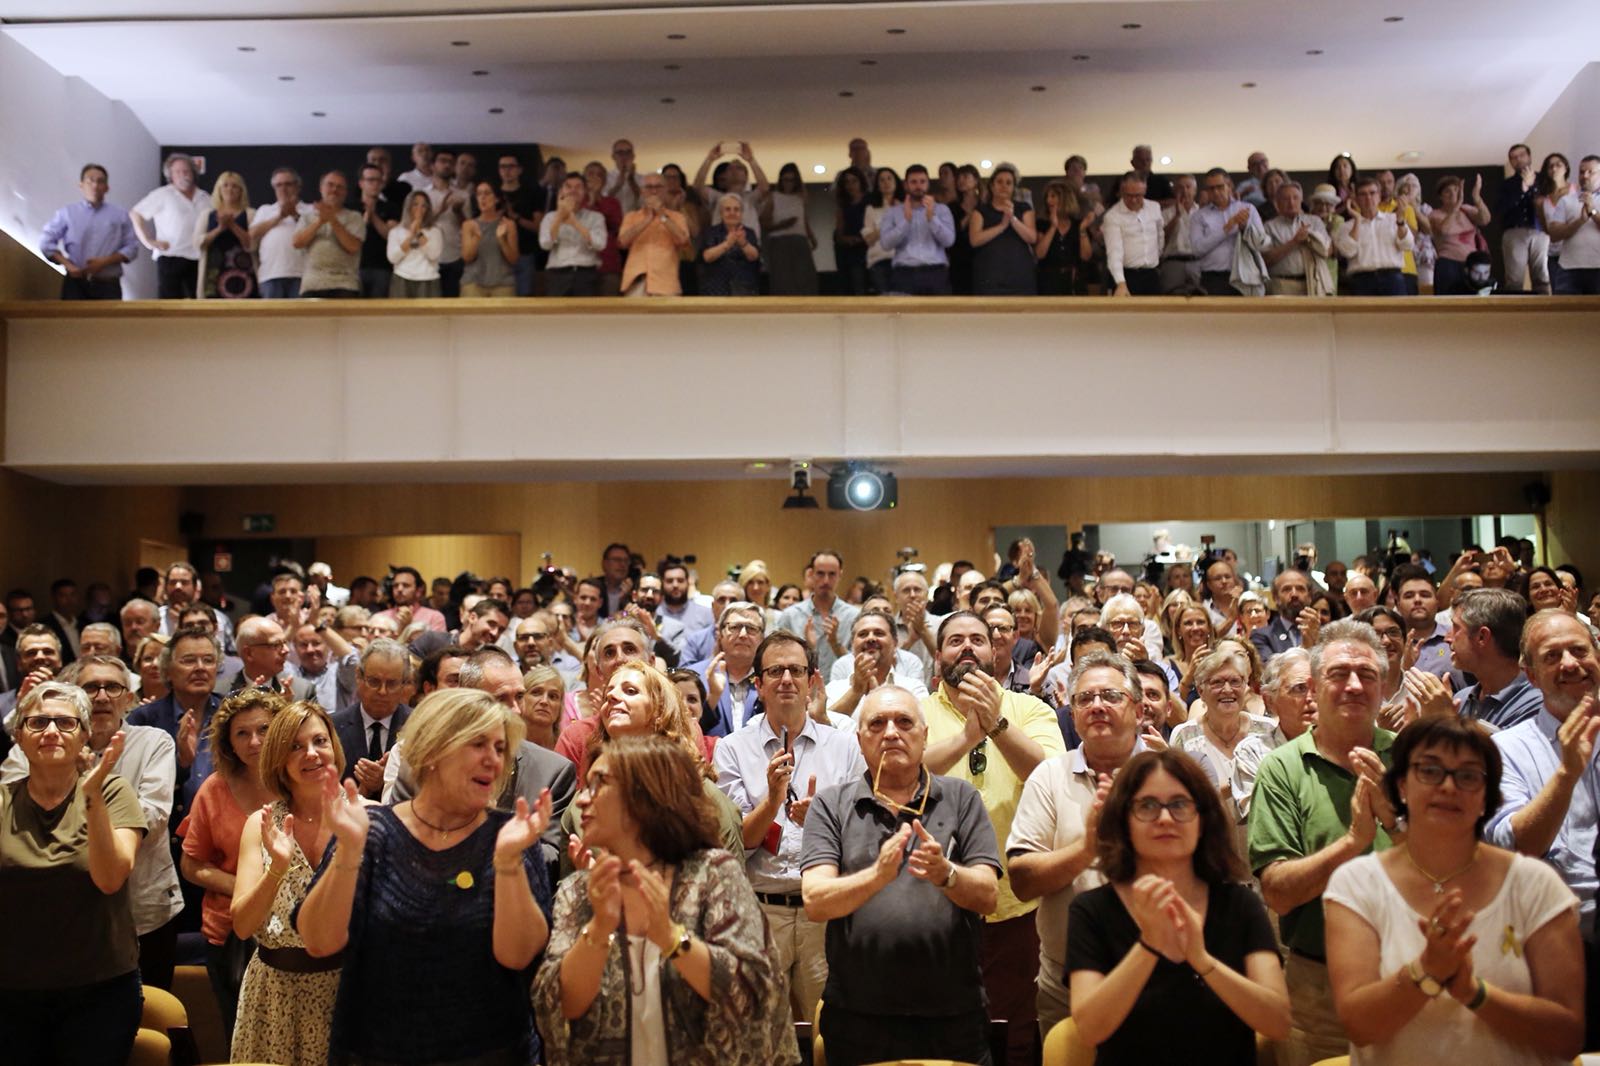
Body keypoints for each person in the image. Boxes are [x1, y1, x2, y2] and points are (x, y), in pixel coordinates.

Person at [297, 688, 555, 1064]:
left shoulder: (513, 836)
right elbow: (319, 942)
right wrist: (349, 852)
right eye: (478, 744)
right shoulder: (371, 831)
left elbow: (518, 957)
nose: (493, 760)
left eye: (500, 748)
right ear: (433, 750)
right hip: (377, 1053)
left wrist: (508, 862)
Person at [1326, 713, 1587, 1066]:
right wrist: (1426, 970)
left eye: (1468, 776)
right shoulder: (1357, 884)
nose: (1448, 787)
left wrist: (1473, 992)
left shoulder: (1536, 884)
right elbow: (1359, 1026)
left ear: (1486, 798)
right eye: (1430, 770)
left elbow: (1566, 1036)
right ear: (1401, 786)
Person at [533, 735, 798, 1064]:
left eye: (598, 784)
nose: (582, 801)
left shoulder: (713, 875)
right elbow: (556, 1008)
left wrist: (669, 936)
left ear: (646, 795)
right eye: (585, 786)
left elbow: (752, 994)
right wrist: (599, 928)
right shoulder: (579, 890)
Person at [801, 686, 1001, 1065]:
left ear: (925, 736)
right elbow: (815, 901)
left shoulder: (962, 798)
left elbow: (988, 896)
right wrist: (877, 876)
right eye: (877, 723)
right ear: (860, 740)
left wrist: (947, 874)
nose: (891, 732)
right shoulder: (831, 804)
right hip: (858, 1019)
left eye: (904, 722)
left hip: (953, 1017)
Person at [1067, 749, 1289, 1063]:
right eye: (1147, 806)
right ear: (1124, 820)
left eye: (1180, 804)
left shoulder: (1240, 904)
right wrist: (1148, 946)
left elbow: (1278, 1023)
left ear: (1203, 819)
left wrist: (1201, 960)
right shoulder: (1092, 910)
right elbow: (1090, 1030)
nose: (1165, 818)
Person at [1248, 620, 1401, 1066]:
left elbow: (1451, 872)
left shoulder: (1413, 757)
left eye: (1367, 675)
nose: (1354, 685)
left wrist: (1394, 820)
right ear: (1314, 688)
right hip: (1318, 988)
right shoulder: (1282, 768)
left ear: (1383, 687)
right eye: (1339, 674)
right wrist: (1353, 842)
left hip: (1412, 975)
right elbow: (1278, 893)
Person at [920, 611, 1065, 1065]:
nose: (967, 647)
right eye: (955, 640)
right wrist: (967, 737)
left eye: (977, 639)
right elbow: (900, 777)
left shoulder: (1031, 709)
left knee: (1015, 1034)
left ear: (995, 650)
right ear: (938, 655)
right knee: (939, 1029)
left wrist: (996, 723)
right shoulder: (914, 713)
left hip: (1014, 903)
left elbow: (1048, 776)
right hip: (931, 903)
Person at [713, 632, 866, 1027]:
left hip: (823, 915)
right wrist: (772, 801)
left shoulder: (845, 747)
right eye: (775, 671)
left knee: (831, 1030)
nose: (786, 679)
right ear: (758, 684)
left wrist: (822, 822)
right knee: (758, 1030)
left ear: (812, 680)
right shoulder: (732, 749)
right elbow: (739, 840)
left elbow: (862, 838)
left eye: (796, 671)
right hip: (761, 912)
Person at [0, 681, 146, 1064]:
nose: (51, 731)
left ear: (84, 735)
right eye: (38, 722)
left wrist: (92, 795)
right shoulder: (2, 800)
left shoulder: (112, 791)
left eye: (65, 723)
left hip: (100, 991)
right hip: (10, 992)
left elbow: (110, 878)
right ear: (19, 737)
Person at [1007, 651, 1146, 1034]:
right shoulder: (1049, 776)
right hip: (1066, 982)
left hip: (1160, 975)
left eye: (1111, 696)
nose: (1097, 706)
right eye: (1085, 699)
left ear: (1138, 710)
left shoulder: (1169, 774)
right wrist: (1087, 850)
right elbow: (1022, 881)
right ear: (1072, 714)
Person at [1484, 609, 1600, 1049]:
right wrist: (1566, 775)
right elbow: (1516, 846)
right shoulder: (1506, 750)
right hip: (1559, 951)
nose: (1570, 664)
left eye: (1579, 651)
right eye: (1553, 656)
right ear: (1531, 676)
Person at [229, 701, 344, 1066]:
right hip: (274, 993)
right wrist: (277, 868)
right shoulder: (260, 824)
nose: (311, 753)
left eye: (319, 741)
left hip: (346, 992)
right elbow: (242, 925)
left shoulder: (368, 818)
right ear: (279, 759)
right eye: (295, 746)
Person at [181, 687, 284, 1042]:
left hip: (296, 932)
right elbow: (191, 865)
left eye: (264, 729)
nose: (254, 741)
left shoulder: (299, 780)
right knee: (241, 1038)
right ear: (229, 743)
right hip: (230, 935)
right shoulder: (214, 789)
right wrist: (248, 888)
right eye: (242, 733)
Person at [1169, 645, 1279, 792]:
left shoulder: (1268, 730)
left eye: (1235, 681)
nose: (1227, 690)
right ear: (1201, 691)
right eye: (1217, 682)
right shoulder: (1184, 736)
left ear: (1245, 687)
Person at [39, 163, 139, 300]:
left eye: (100, 181)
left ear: (107, 187)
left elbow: (132, 247)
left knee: (109, 315)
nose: (95, 185)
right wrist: (67, 264)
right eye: (90, 181)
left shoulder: (120, 214)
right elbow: (46, 242)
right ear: (81, 185)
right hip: (75, 284)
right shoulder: (67, 213)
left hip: (108, 285)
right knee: (72, 315)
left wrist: (104, 262)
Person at [132, 152, 211, 299]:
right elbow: (135, 214)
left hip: (198, 257)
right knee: (170, 303)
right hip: (170, 256)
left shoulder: (205, 197)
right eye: (177, 172)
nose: (182, 175)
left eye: (186, 171)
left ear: (193, 173)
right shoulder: (162, 194)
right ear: (170, 175)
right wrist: (148, 241)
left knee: (199, 302)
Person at [879, 164, 957, 295]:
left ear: (928, 184)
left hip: (935, 272)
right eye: (913, 182)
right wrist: (905, 221)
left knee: (939, 309)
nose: (918, 186)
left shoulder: (942, 210)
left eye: (922, 181)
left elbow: (949, 241)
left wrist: (932, 218)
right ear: (906, 185)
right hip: (904, 273)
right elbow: (886, 244)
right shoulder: (893, 212)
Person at [293, 170, 365, 299]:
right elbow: (297, 243)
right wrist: (320, 221)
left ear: (345, 192)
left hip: (345, 284)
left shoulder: (354, 217)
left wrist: (332, 219)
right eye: (330, 185)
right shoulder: (307, 217)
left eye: (340, 187)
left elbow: (353, 246)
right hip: (312, 284)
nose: (334, 190)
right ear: (321, 188)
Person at [969, 162, 1038, 295]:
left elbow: (1032, 237)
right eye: (999, 182)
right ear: (992, 186)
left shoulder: (1023, 208)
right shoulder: (981, 210)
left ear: (1013, 187)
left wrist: (1012, 218)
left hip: (1020, 274)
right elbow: (975, 240)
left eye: (1008, 183)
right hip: (989, 275)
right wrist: (1001, 226)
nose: (1004, 186)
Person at [619, 172, 691, 296]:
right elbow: (622, 243)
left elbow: (683, 240)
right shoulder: (631, 217)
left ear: (666, 190)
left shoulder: (677, 217)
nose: (654, 191)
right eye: (649, 187)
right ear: (642, 191)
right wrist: (647, 220)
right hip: (637, 281)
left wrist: (661, 215)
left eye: (658, 187)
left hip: (666, 283)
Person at [251, 167, 314, 299]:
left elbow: (316, 234)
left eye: (288, 184)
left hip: (303, 275)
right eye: (279, 185)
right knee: (271, 313)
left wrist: (295, 215)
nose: (283, 189)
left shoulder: (310, 209)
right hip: (271, 274)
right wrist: (280, 216)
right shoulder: (265, 210)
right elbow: (252, 234)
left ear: (298, 186)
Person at [539, 173, 606, 297]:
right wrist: (559, 217)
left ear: (585, 191)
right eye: (568, 186)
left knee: (587, 310)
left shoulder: (596, 217)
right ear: (561, 191)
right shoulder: (550, 217)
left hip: (586, 273)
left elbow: (600, 244)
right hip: (557, 273)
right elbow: (545, 244)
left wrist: (575, 223)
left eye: (578, 187)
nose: (573, 190)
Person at [1496, 144, 1551, 294]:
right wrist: (1523, 188)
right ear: (1510, 162)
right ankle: (1516, 309)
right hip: (1514, 231)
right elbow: (1501, 209)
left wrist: (1532, 187)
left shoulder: (1544, 180)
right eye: (1514, 157)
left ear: (1529, 156)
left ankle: (1545, 308)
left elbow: (1547, 204)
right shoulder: (1506, 184)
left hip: (1540, 231)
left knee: (1542, 276)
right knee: (1514, 280)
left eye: (1522, 155)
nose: (1518, 159)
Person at [196, 170, 257, 299]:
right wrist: (220, 228)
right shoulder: (207, 215)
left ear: (241, 191)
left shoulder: (250, 214)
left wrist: (233, 225)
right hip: (213, 274)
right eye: (225, 185)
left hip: (244, 273)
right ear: (219, 190)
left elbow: (252, 244)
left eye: (235, 186)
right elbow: (198, 243)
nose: (230, 189)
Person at [1427, 175, 1492, 295]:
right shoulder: (1435, 214)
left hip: (1471, 266)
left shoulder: (1466, 210)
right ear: (1440, 196)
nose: (1453, 194)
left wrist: (1477, 198)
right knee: (1447, 301)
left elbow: (1485, 219)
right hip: (1448, 264)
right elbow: (1445, 230)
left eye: (1456, 189)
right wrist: (1456, 206)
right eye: (1448, 191)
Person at [762, 162, 819, 295]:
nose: (789, 183)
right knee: (782, 279)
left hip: (799, 240)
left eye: (792, 180)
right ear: (781, 180)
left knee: (805, 278)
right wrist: (781, 225)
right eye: (786, 180)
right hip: (779, 241)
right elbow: (764, 222)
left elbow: (804, 219)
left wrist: (811, 237)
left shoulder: (800, 197)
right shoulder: (773, 197)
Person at [1546, 154, 1600, 295]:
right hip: (1569, 268)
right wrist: (1580, 221)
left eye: (1590, 172)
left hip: (1598, 266)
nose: (1585, 176)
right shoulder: (1566, 200)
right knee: (1565, 308)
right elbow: (1554, 235)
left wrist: (1593, 211)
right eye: (1581, 172)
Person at [1103, 172, 1163, 296]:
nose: (1134, 200)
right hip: (1126, 276)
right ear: (1122, 191)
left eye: (1138, 195)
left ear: (1145, 191)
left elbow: (1160, 236)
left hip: (1152, 274)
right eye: (1129, 195)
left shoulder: (1154, 208)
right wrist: (1120, 283)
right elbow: (1114, 252)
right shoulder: (1112, 216)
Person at [461, 181, 519, 297]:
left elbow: (514, 259)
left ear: (496, 199)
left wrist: (502, 240)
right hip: (473, 283)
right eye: (479, 194)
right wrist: (476, 239)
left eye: (487, 193)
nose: (482, 197)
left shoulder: (508, 224)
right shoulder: (469, 225)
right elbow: (467, 258)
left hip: (503, 283)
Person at [699, 193, 762, 296]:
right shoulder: (711, 232)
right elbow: (707, 257)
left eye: (736, 209)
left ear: (741, 213)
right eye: (727, 209)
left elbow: (754, 256)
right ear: (721, 213)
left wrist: (743, 244)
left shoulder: (749, 233)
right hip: (716, 290)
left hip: (744, 290)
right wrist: (727, 244)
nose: (732, 213)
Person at [1036, 178, 1090, 295]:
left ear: (1064, 199)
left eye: (1053, 196)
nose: (1048, 200)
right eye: (1047, 197)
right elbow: (1039, 254)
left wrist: (1082, 230)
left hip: (1074, 282)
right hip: (1048, 282)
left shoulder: (1078, 224)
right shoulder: (1042, 224)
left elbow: (1086, 256)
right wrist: (1053, 227)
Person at [386, 190, 443, 298]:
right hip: (402, 278)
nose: (419, 209)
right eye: (415, 204)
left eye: (423, 206)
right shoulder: (396, 231)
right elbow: (392, 258)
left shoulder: (435, 231)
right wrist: (410, 236)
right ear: (408, 207)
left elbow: (433, 255)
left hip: (428, 278)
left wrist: (418, 233)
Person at [861, 166, 903, 294]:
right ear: (877, 185)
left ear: (896, 182)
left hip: (903, 260)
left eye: (889, 179)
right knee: (885, 299)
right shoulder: (871, 209)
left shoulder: (906, 207)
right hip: (879, 260)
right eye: (882, 180)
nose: (886, 183)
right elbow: (869, 239)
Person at [832, 166, 870, 295]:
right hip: (850, 249)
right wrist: (846, 239)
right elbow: (839, 231)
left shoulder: (870, 201)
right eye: (847, 182)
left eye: (854, 181)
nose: (850, 185)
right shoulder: (843, 205)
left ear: (860, 182)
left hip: (869, 246)